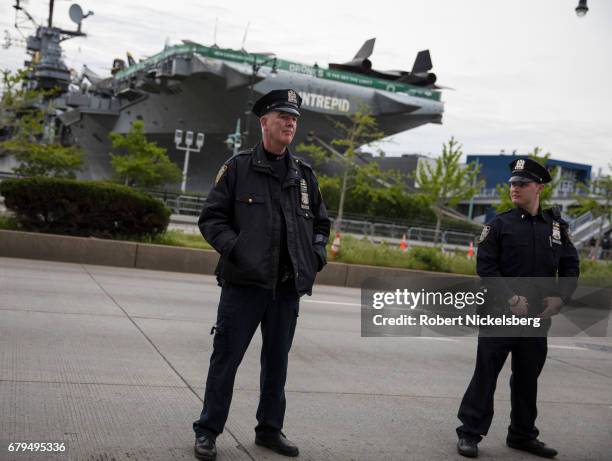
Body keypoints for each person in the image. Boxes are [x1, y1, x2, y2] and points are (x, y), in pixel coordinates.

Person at [192, 89, 331, 461]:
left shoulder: (304, 176)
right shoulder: (238, 168)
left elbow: (321, 223)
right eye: (283, 116)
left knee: (277, 364)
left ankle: (269, 430)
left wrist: (315, 256)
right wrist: (239, 252)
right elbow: (211, 219)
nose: (290, 123)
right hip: (245, 285)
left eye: (295, 118)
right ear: (264, 122)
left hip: (286, 289)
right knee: (226, 359)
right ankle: (207, 430)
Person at [456, 158, 579, 458]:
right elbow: (486, 268)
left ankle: (522, 435)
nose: (515, 188)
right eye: (512, 183)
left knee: (527, 379)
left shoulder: (556, 228)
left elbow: (570, 265)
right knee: (486, 376)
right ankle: (470, 433)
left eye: (522, 184)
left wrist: (561, 297)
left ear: (538, 187)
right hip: (499, 315)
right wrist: (510, 298)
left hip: (537, 319)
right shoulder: (499, 225)